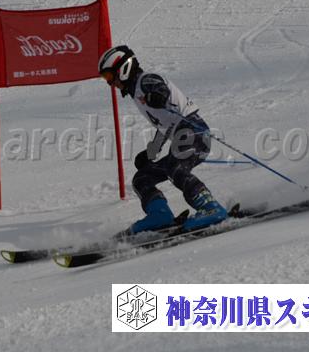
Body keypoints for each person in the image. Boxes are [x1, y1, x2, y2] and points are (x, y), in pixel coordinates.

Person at [98, 45, 231, 234]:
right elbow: (165, 125)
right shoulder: (137, 93)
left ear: (123, 68)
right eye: (106, 79)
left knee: (175, 168)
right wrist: (151, 152)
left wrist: (158, 96)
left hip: (194, 132)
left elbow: (161, 89)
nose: (110, 83)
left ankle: (210, 207)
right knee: (142, 178)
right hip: (181, 137)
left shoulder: (146, 81)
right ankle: (160, 216)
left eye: (109, 76)